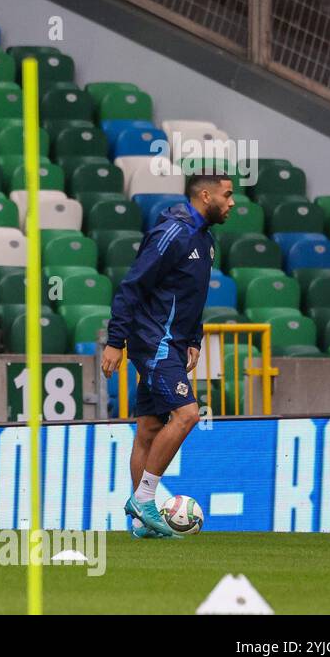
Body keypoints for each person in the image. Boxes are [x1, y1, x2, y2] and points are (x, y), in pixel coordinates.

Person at [101, 174, 233, 538]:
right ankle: (144, 500)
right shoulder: (173, 233)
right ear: (206, 196)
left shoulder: (205, 239)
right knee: (187, 415)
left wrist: (194, 338)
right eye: (228, 195)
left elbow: (191, 296)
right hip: (154, 340)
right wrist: (116, 340)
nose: (232, 202)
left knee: (147, 429)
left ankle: (140, 522)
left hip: (174, 341)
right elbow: (132, 285)